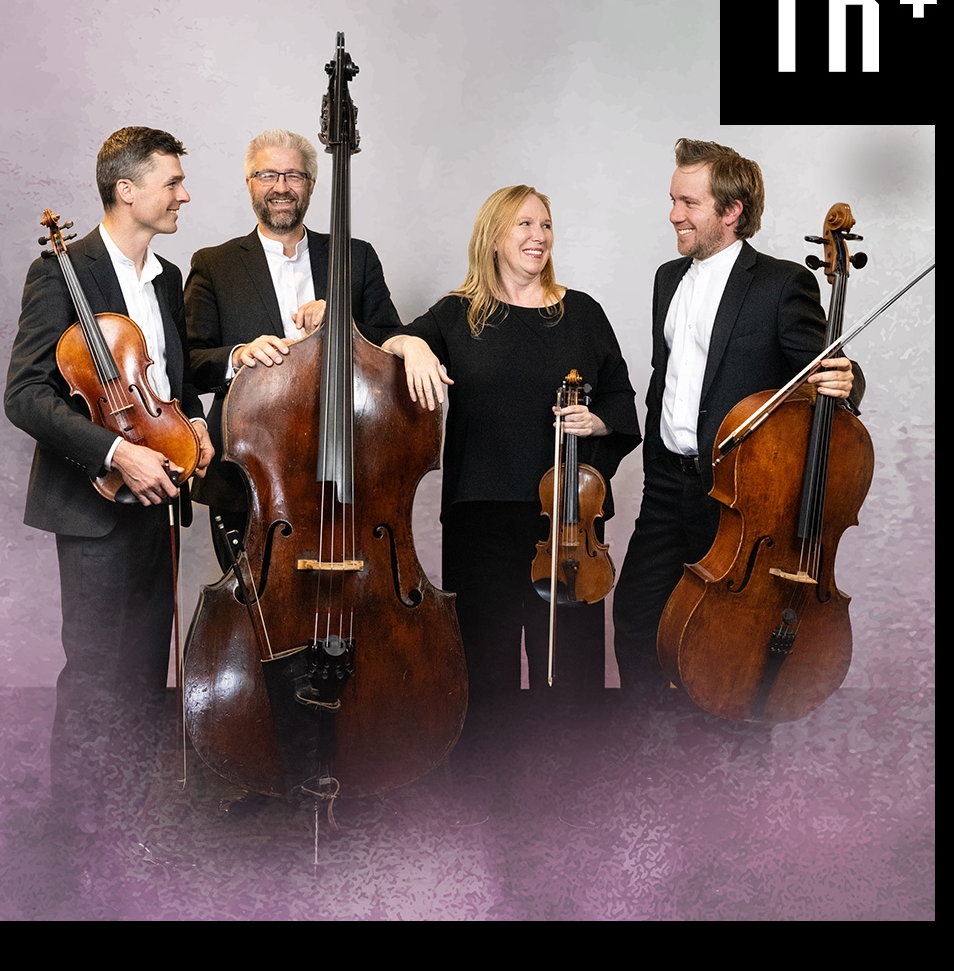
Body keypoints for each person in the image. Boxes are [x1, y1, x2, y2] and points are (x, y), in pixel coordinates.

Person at [4, 126, 215, 867]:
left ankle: (126, 834)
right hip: (92, 504)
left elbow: (165, 389)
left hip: (154, 503)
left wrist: (191, 424)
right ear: (127, 190)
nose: (184, 194)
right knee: (95, 677)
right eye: (173, 182)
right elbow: (25, 396)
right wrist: (115, 450)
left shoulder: (166, 276)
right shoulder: (64, 271)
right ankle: (74, 846)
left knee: (140, 676)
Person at [383, 185, 641, 761]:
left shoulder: (584, 313)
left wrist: (596, 422)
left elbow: (622, 402)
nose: (538, 237)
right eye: (524, 225)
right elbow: (390, 344)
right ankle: (486, 776)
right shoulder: (457, 314)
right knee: (486, 652)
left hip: (569, 521)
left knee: (570, 656)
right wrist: (415, 347)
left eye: (545, 225)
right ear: (494, 236)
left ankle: (570, 773)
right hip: (483, 514)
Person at [611, 138, 864, 699]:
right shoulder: (666, 279)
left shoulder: (780, 285)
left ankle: (719, 761)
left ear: (732, 211)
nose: (673, 214)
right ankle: (650, 755)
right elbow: (668, 378)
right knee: (635, 621)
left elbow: (831, 368)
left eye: (689, 203)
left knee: (727, 637)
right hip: (666, 483)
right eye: (673, 199)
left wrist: (848, 381)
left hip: (735, 494)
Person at [184, 128, 401, 567]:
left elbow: (392, 345)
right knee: (253, 614)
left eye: (294, 176)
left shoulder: (355, 258)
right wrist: (239, 355)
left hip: (344, 462)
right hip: (249, 466)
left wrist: (345, 324)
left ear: (312, 185)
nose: (280, 187)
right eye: (267, 175)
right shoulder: (214, 263)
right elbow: (188, 361)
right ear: (249, 183)